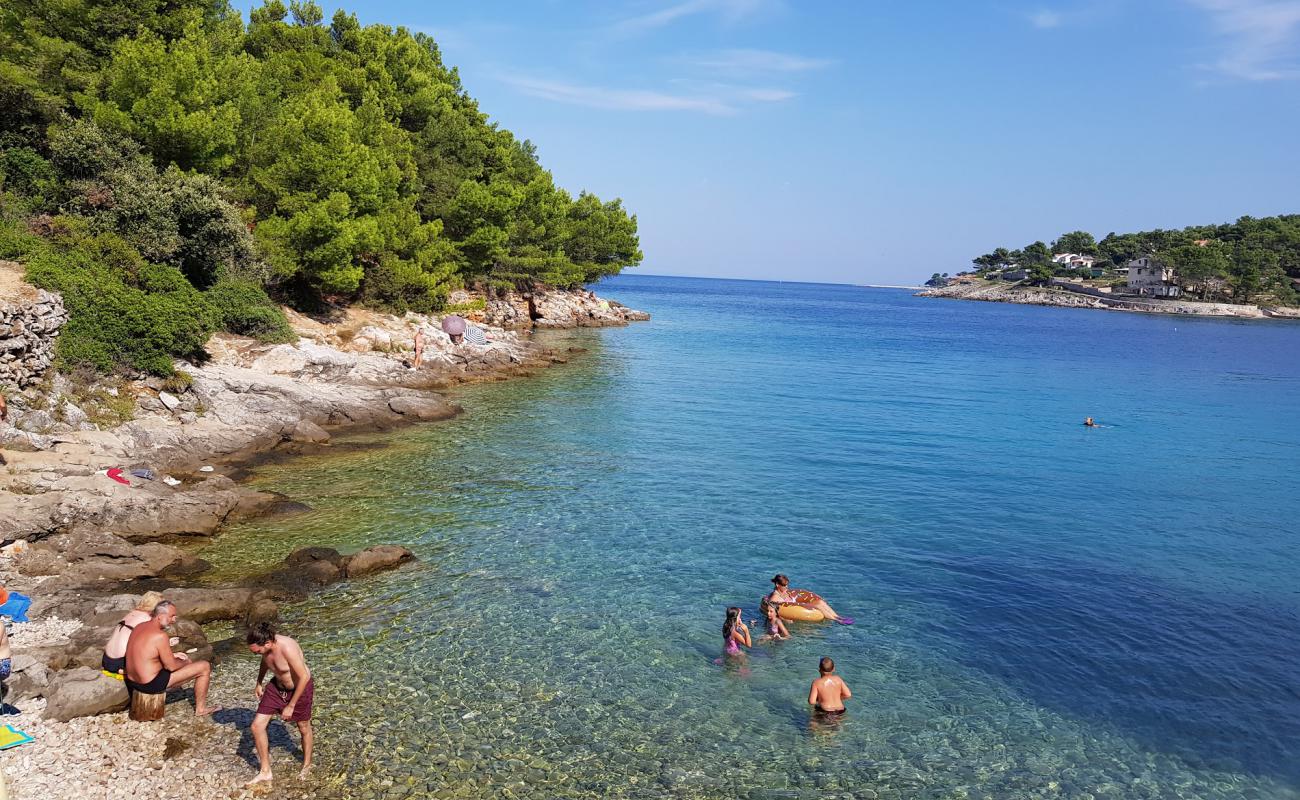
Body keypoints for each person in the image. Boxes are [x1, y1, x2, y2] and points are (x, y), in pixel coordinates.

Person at [124, 601, 220, 716]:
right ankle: (201, 709)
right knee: (204, 666)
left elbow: (146, 654)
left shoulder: (139, 627)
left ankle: (171, 687)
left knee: (177, 661)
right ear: (160, 617)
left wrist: (173, 655)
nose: (174, 619)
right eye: (172, 616)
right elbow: (171, 666)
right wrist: (186, 661)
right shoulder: (160, 635)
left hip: (132, 681)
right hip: (148, 684)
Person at [247, 622, 314, 784]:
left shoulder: (288, 648)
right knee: (256, 727)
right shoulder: (265, 647)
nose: (257, 654)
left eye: (257, 651)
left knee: (303, 726)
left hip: (299, 688)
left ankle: (306, 764)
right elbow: (265, 661)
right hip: (276, 687)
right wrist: (259, 682)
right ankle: (265, 771)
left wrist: (290, 706)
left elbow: (304, 677)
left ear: (268, 643)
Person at [102, 591, 163, 676]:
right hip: (120, 661)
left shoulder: (132, 613)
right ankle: (128, 671)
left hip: (107, 659)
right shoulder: (147, 619)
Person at [766, 574, 849, 623]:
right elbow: (773, 610)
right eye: (784, 585)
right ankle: (836, 620)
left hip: (799, 605)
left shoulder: (785, 592)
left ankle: (838, 616)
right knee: (818, 605)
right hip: (798, 607)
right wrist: (785, 620)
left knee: (819, 601)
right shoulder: (775, 597)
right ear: (777, 584)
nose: (787, 587)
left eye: (787, 584)